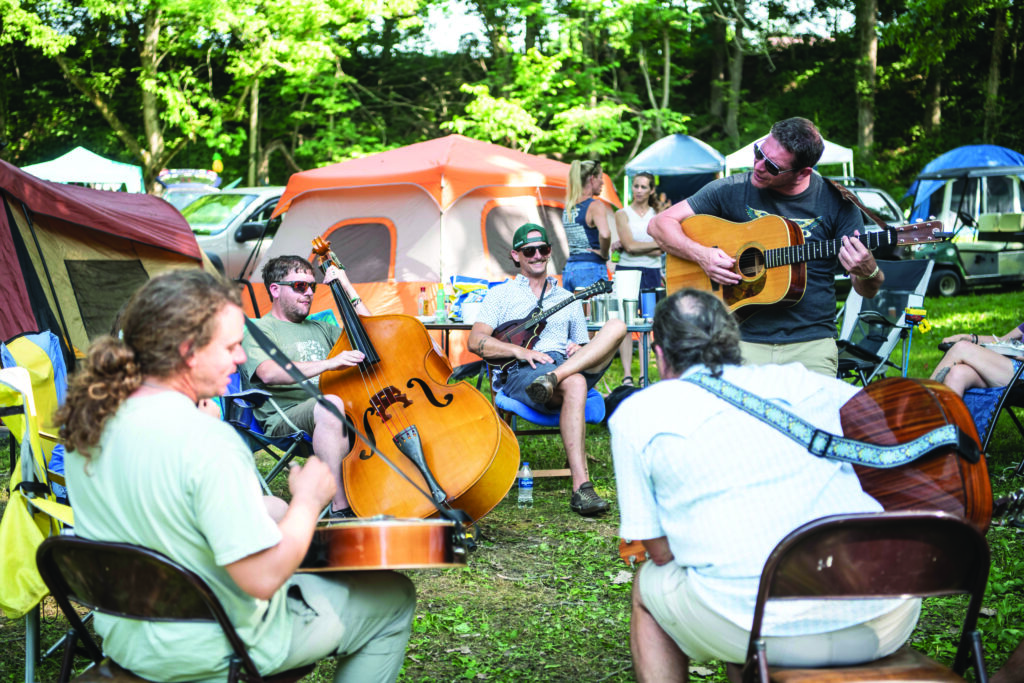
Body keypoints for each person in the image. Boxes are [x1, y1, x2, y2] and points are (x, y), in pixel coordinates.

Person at [57, 270, 415, 682]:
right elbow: (261, 578)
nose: (241, 357)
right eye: (230, 346)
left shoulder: (89, 425)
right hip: (213, 646)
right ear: (188, 351)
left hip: (129, 639)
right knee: (394, 597)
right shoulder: (208, 442)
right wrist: (307, 502)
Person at [610, 288, 920, 682]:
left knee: (649, 587)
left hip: (753, 627)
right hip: (884, 614)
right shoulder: (806, 382)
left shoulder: (638, 414)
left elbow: (659, 553)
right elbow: (890, 433)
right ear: (733, 340)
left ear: (659, 353)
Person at [648, 117, 882, 378]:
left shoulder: (838, 203)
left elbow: (867, 289)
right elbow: (659, 224)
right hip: (739, 340)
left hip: (810, 344)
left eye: (771, 166)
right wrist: (702, 255)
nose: (758, 166)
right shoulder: (731, 189)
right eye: (758, 153)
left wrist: (868, 272)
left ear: (803, 172)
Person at [469, 223, 627, 516]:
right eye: (530, 251)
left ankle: (556, 377)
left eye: (543, 249)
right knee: (577, 383)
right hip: (523, 371)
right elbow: (475, 341)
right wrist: (520, 350)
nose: (538, 255)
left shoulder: (568, 298)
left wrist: (578, 349)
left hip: (562, 367)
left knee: (617, 326)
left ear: (549, 252)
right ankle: (582, 488)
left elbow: (581, 344)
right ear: (516, 255)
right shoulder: (500, 295)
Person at [241, 255, 370, 519]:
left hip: (339, 413)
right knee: (331, 404)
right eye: (300, 286)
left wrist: (347, 286)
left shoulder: (322, 327)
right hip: (286, 416)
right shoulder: (258, 330)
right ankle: (341, 507)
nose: (309, 293)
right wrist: (329, 363)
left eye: (312, 286)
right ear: (275, 289)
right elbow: (268, 372)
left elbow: (375, 333)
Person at [613, 172, 664, 386]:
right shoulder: (622, 213)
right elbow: (631, 245)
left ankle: (644, 373)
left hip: (652, 272)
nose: (639, 190)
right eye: (636, 186)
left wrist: (636, 247)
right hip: (626, 271)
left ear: (652, 189)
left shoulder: (659, 213)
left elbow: (665, 245)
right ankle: (627, 376)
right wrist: (656, 246)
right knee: (625, 323)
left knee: (649, 323)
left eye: (644, 187)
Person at [929, 323, 1024, 395]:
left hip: (1020, 373)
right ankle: (945, 419)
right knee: (958, 373)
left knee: (962, 348)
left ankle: (923, 397)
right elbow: (1003, 341)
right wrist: (970, 338)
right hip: (1008, 369)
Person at [562, 159, 613, 292]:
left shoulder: (569, 206)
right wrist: (604, 252)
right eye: (600, 178)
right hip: (591, 268)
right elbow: (605, 234)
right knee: (594, 312)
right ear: (592, 179)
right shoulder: (595, 205)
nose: (602, 182)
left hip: (570, 268)